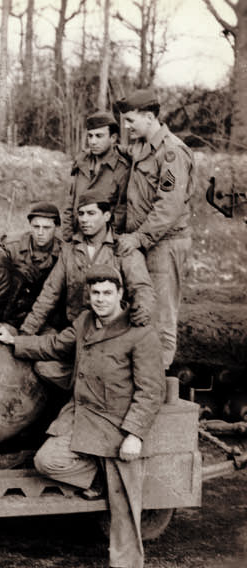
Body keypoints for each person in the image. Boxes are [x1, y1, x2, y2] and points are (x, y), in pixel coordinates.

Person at [0, 265, 164, 568]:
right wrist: (16, 341)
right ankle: (96, 478)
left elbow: (151, 390)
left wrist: (135, 434)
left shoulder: (140, 334)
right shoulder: (86, 321)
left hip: (117, 422)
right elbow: (57, 345)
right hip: (82, 414)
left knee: (124, 500)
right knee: (47, 461)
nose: (100, 300)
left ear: (120, 295)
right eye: (95, 293)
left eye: (106, 293)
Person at [19, 192, 154, 389]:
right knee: (43, 367)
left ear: (107, 216)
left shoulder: (123, 250)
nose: (84, 219)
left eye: (91, 213)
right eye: (81, 214)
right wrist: (26, 331)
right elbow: (49, 294)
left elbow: (142, 288)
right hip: (76, 334)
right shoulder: (70, 250)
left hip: (111, 335)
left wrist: (143, 309)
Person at [116, 88, 194, 371]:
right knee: (141, 306)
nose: (126, 127)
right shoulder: (142, 147)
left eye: (130, 121)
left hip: (165, 243)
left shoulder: (171, 153)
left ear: (149, 118)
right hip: (146, 242)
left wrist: (138, 238)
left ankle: (157, 379)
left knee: (161, 314)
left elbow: (168, 207)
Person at [62, 111, 130, 239]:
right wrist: (67, 239)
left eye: (99, 136)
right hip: (76, 239)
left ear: (113, 138)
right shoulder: (81, 163)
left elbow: (121, 212)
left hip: (104, 242)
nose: (93, 141)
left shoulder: (122, 169)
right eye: (90, 136)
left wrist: (108, 243)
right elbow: (70, 205)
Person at [4, 202, 63, 328]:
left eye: (46, 228)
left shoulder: (64, 253)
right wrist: (14, 272)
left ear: (56, 227)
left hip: (45, 310)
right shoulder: (11, 246)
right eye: (36, 227)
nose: (40, 233)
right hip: (12, 307)